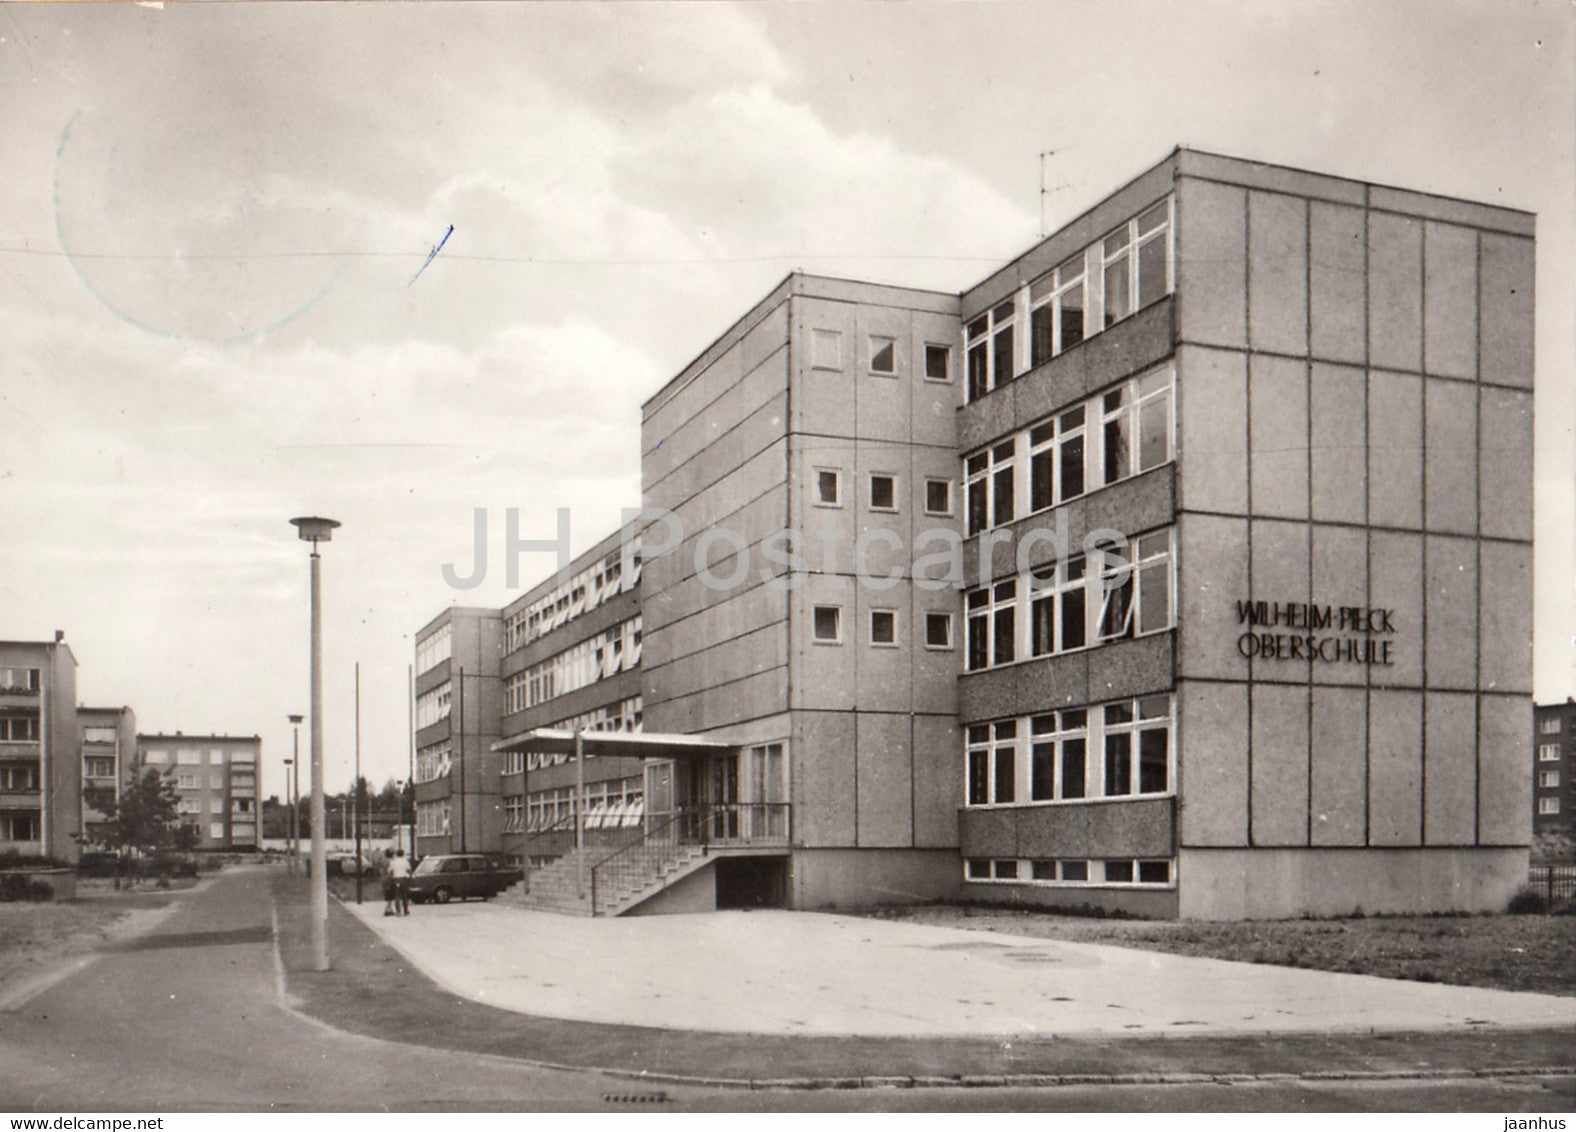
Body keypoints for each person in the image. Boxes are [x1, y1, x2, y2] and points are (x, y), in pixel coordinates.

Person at [389, 848, 413, 915]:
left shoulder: (393, 862)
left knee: (397, 895)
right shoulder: (405, 861)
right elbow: (409, 870)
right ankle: (406, 910)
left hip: (396, 879)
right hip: (404, 879)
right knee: (405, 895)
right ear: (403, 854)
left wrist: (392, 878)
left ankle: (398, 911)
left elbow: (390, 871)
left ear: (397, 854)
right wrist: (409, 877)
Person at [381, 848, 397, 916]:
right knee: (390, 895)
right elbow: (391, 871)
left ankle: (390, 909)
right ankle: (387, 910)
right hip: (389, 879)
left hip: (384, 879)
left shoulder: (383, 861)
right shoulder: (390, 862)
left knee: (388, 895)